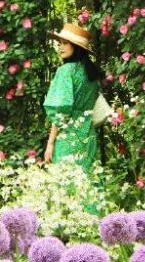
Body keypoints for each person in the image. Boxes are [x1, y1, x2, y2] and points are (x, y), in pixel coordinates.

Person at [43, 22, 103, 172]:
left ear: (76, 47)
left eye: (65, 43)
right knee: (88, 183)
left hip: (68, 137)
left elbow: (61, 111)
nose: (60, 47)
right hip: (88, 137)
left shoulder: (65, 71)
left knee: (66, 187)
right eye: (59, 43)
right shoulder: (92, 74)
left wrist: (50, 143)